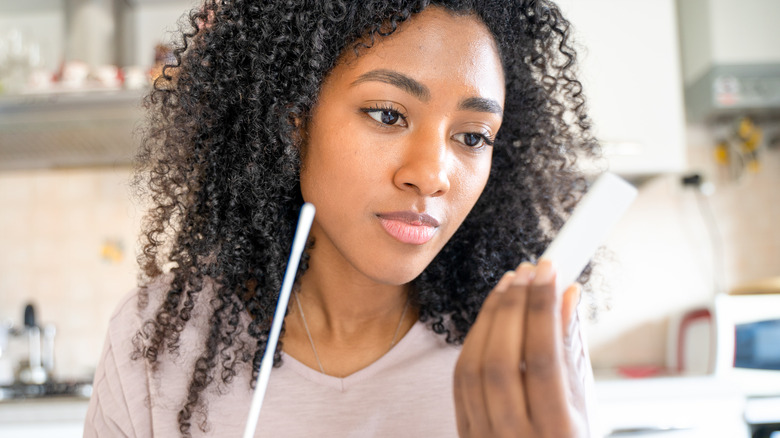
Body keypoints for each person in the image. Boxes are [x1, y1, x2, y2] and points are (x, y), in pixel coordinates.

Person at [84, 0, 600, 436]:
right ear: (294, 120)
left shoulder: (527, 338)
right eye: (387, 114)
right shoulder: (157, 340)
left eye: (472, 137)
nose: (432, 175)